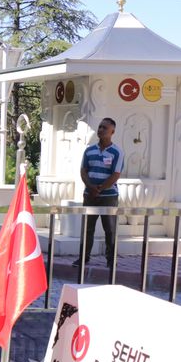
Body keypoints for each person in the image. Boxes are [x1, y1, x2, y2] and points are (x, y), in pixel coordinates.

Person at [76, 117, 123, 274]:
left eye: (104, 128)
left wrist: (101, 188)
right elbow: (83, 171)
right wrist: (91, 187)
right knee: (87, 228)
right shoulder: (89, 151)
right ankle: (84, 257)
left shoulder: (117, 152)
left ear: (112, 132)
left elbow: (115, 174)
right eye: (100, 127)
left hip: (108, 197)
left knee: (109, 229)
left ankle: (111, 260)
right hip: (90, 195)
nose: (101, 130)